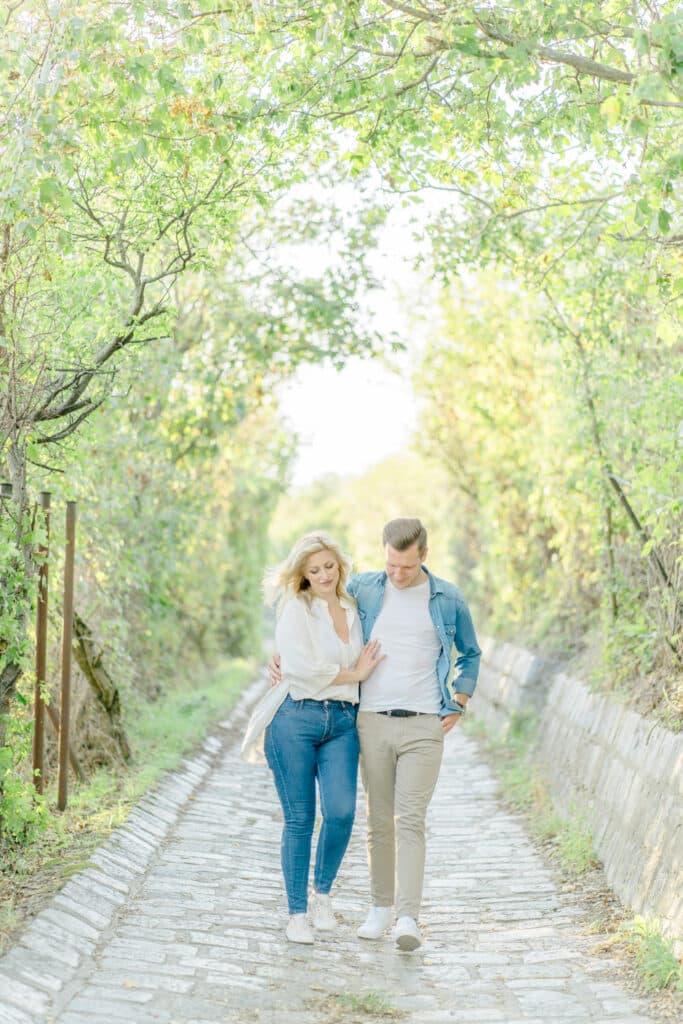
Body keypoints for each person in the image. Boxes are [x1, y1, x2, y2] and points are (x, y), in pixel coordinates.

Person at [269, 517, 480, 951]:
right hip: (367, 720)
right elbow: (308, 621)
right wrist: (280, 659)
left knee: (405, 819)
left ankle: (407, 918)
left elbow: (470, 652)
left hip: (420, 722)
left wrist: (460, 697)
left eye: (405, 566)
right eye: (390, 565)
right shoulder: (367, 588)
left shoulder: (446, 598)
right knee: (370, 821)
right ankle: (368, 908)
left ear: (424, 555)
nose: (397, 574)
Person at [241, 532, 384, 945]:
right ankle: (296, 913)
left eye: (329, 566)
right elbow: (300, 668)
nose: (323, 574)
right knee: (300, 819)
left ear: (340, 565)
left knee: (341, 813)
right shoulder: (296, 608)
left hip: (341, 721)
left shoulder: (354, 608)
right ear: (302, 574)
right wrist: (355, 675)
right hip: (295, 719)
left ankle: (322, 894)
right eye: (314, 569)